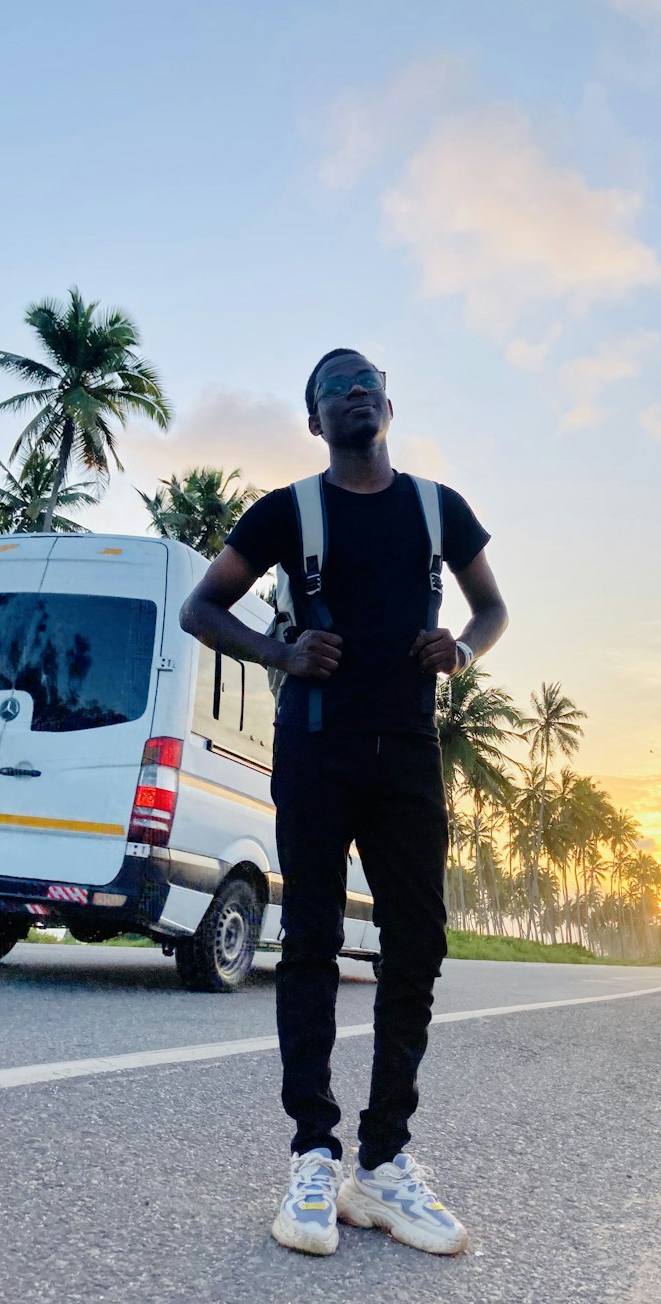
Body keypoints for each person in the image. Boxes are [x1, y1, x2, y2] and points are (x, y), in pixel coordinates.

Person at [179, 348, 508, 1257]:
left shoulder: (439, 508)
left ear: (389, 404)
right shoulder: (288, 510)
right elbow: (201, 609)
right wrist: (280, 654)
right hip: (316, 753)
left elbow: (492, 609)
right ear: (315, 421)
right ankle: (314, 1154)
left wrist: (463, 652)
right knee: (313, 937)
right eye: (333, 388)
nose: (352, 392)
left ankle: (387, 1160)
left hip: (406, 754)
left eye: (364, 380)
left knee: (419, 941)